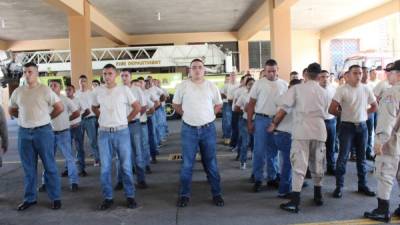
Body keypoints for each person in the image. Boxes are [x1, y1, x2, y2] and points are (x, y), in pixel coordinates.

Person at [268, 63, 329, 213]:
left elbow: (283, 107)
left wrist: (274, 123)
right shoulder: (325, 92)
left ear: (306, 74)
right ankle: (318, 195)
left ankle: (295, 201)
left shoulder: (297, 89)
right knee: (318, 163)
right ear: (319, 74)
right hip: (320, 130)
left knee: (299, 166)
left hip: (302, 130)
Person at [9, 62, 63, 210]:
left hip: (43, 132)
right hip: (24, 133)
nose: (27, 74)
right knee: (28, 169)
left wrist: (46, 118)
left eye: (30, 72)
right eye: (25, 72)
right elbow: (11, 109)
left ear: (37, 73)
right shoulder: (18, 92)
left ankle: (55, 197)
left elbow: (60, 107)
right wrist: (22, 119)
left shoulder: (45, 90)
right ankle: (30, 198)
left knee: (50, 166)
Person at [173, 58, 224, 207]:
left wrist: (210, 115)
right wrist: (186, 115)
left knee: (211, 163)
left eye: (200, 67)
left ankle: (217, 194)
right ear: (190, 70)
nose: (197, 70)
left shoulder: (211, 86)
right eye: (194, 67)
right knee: (187, 164)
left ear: (204, 70)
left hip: (208, 129)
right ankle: (184, 195)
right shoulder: (183, 86)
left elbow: (219, 104)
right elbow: (176, 104)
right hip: (189, 130)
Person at [92, 64, 140, 210]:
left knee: (125, 166)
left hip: (122, 132)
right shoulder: (97, 90)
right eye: (105, 74)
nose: (107, 77)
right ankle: (108, 197)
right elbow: (94, 107)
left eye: (110, 74)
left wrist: (126, 120)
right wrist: (102, 117)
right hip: (104, 133)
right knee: (105, 168)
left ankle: (130, 196)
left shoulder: (124, 90)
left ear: (116, 75)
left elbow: (137, 107)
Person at [329, 65, 378, 199]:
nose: (358, 76)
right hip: (347, 127)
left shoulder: (366, 89)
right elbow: (332, 109)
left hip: (362, 127)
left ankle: (362, 185)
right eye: (355, 73)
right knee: (343, 157)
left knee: (362, 159)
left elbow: (374, 106)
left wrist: (364, 113)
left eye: (360, 73)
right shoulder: (342, 89)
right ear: (348, 75)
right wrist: (345, 114)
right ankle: (339, 186)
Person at [364, 60, 400, 223]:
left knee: (385, 173)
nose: (387, 76)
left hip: (392, 142)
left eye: (389, 73)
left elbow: (387, 120)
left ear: (397, 74)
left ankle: (382, 210)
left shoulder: (392, 92)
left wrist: (380, 143)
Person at [247, 59, 288, 192]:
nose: (271, 73)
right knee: (259, 151)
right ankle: (258, 178)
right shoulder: (258, 84)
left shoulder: (284, 84)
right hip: (261, 119)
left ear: (278, 70)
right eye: (269, 71)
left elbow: (286, 106)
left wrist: (279, 122)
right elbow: (251, 104)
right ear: (264, 71)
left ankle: (272, 177)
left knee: (273, 151)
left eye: (274, 71)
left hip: (277, 120)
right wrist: (249, 122)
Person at [39, 80, 80, 192]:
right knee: (48, 159)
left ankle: (74, 182)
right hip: (49, 134)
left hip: (64, 132)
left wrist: (67, 120)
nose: (52, 87)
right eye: (50, 85)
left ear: (59, 87)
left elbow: (76, 112)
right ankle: (46, 183)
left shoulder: (65, 99)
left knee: (69, 158)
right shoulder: (44, 100)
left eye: (55, 85)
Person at [115, 69, 147, 190]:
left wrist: (133, 117)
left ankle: (141, 179)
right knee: (120, 155)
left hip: (134, 124)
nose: (124, 77)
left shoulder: (137, 90)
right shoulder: (117, 90)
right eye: (122, 75)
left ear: (130, 77)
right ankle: (120, 181)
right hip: (120, 126)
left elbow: (143, 107)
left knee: (137, 152)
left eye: (126, 75)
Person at [271, 78, 303, 199]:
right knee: (289, 164)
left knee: (286, 162)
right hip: (287, 134)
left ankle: (290, 184)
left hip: (280, 134)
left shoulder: (282, 96)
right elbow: (282, 113)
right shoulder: (293, 99)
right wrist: (274, 124)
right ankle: (284, 190)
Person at [76, 75, 99, 166]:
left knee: (93, 140)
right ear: (79, 82)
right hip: (79, 120)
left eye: (84, 81)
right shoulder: (76, 94)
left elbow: (97, 105)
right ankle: (80, 159)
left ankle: (97, 159)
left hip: (90, 120)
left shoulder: (91, 93)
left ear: (87, 82)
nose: (83, 83)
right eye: (81, 81)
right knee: (79, 141)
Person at [65, 84, 87, 176]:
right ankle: (68, 169)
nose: (67, 91)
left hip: (77, 127)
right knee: (67, 150)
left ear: (74, 91)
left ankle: (81, 169)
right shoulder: (63, 101)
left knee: (79, 148)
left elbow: (86, 111)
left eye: (69, 90)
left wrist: (79, 118)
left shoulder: (78, 100)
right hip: (66, 128)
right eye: (66, 90)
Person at [319, 70, 337, 175]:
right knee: (318, 147)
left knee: (331, 146)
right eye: (322, 77)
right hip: (319, 121)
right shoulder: (315, 90)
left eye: (326, 76)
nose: (325, 79)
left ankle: (331, 167)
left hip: (331, 121)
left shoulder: (333, 89)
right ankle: (318, 168)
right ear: (318, 78)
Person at [234, 77, 255, 169]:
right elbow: (236, 108)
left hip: (257, 121)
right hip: (245, 121)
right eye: (249, 84)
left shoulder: (260, 95)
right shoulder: (243, 95)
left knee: (255, 142)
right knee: (245, 142)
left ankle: (255, 160)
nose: (252, 85)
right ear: (246, 86)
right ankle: (243, 161)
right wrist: (244, 109)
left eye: (253, 84)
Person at [220, 74, 232, 145]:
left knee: (229, 121)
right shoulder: (223, 86)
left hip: (232, 104)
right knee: (226, 121)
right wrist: (226, 96)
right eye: (227, 79)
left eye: (229, 79)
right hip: (226, 104)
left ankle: (228, 136)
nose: (228, 80)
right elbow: (221, 95)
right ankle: (227, 136)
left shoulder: (234, 86)